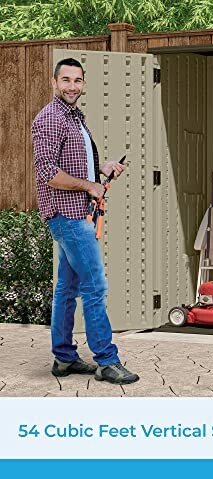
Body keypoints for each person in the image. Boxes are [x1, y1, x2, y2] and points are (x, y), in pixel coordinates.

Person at [32, 58, 139, 385]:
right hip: (68, 214)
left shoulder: (74, 117)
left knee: (67, 288)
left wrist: (101, 170)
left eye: (77, 80)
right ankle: (106, 360)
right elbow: (48, 173)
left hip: (76, 212)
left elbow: (75, 166)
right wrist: (90, 186)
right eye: (66, 80)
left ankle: (64, 358)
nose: (72, 86)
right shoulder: (50, 119)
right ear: (54, 82)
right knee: (95, 286)